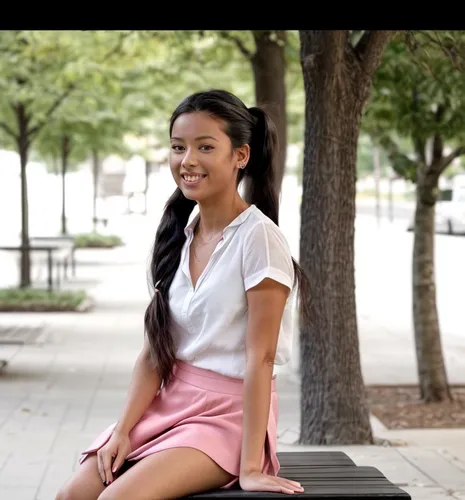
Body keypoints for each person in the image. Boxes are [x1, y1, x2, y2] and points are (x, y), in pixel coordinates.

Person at [56, 89, 310, 500]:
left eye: (205, 147)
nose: (187, 160)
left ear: (240, 156)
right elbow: (154, 353)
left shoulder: (260, 238)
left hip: (228, 417)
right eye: (178, 147)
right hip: (169, 405)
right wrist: (122, 430)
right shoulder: (181, 234)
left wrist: (250, 467)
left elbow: (260, 358)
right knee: (73, 495)